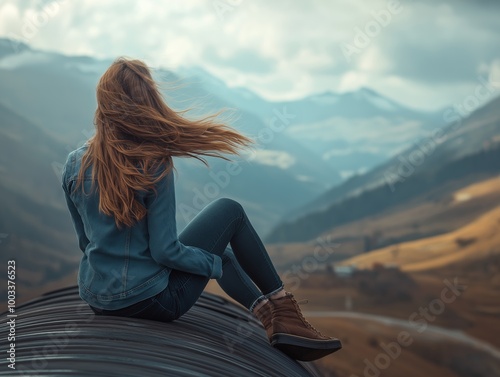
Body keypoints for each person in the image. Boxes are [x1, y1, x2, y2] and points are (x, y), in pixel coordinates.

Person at [61, 57, 342, 361]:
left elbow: (85, 243)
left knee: (211, 252)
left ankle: (273, 317)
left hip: (97, 298)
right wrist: (213, 265)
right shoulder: (153, 162)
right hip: (153, 302)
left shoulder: (74, 164)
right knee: (228, 212)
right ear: (148, 102)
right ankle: (282, 307)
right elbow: (165, 251)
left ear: (103, 103)